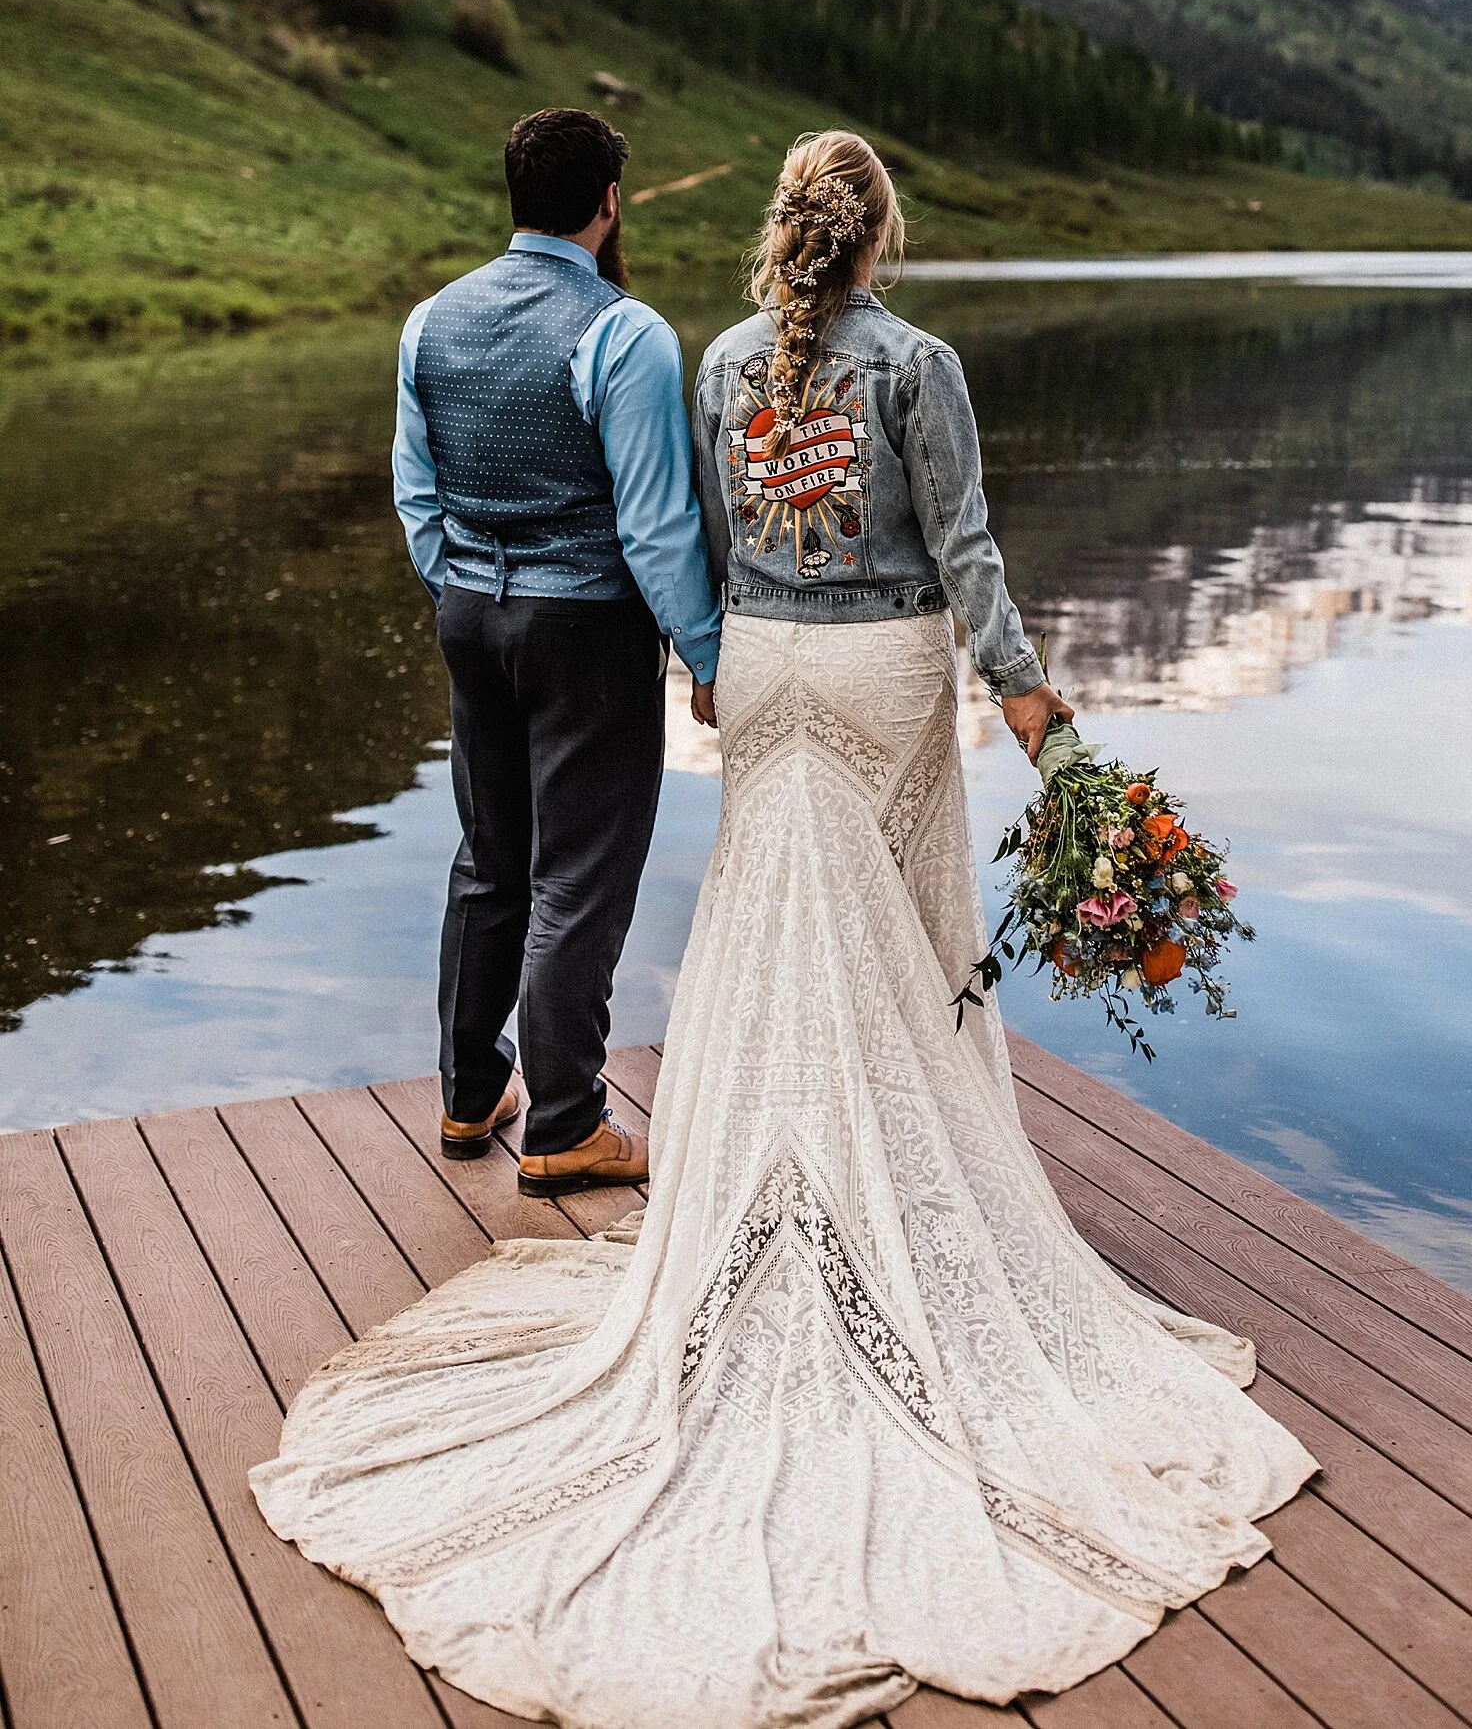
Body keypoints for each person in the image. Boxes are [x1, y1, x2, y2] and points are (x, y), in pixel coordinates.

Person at [254, 129, 1315, 1729]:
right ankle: (910, 1201)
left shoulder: (727, 357)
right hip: (884, 677)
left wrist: (703, 659)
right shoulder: (922, 367)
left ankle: (738, 1181)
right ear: (881, 233)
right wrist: (1033, 700)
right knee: (900, 936)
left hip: (757, 671)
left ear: (780, 236)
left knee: (765, 930)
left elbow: (710, 525)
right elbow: (963, 554)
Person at [390, 105, 721, 1194]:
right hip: (585, 630)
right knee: (577, 877)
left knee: (491, 860)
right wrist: (707, 652)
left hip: (472, 619)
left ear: (516, 195)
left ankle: (468, 1092)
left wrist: (465, 582)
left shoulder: (430, 319)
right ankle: (567, 1121)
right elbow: (656, 527)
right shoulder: (625, 333)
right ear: (608, 202)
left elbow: (417, 492)